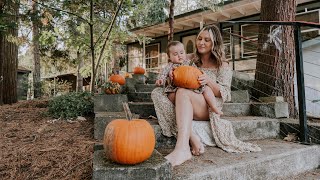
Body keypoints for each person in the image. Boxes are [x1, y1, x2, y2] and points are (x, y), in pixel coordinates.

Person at [151, 25, 261, 167]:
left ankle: (182, 149)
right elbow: (176, 76)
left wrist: (208, 80)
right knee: (158, 92)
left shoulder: (223, 65)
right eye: (200, 39)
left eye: (207, 40)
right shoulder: (189, 58)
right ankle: (191, 136)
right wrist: (170, 78)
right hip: (185, 98)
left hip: (207, 106)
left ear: (215, 43)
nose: (201, 43)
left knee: (182, 92)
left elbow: (225, 94)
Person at [155, 41, 223, 115]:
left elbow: (196, 71)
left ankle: (214, 106)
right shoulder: (170, 66)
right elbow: (163, 74)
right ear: (169, 57)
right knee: (180, 93)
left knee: (207, 89)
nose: (179, 56)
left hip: (192, 86)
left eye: (181, 53)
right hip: (177, 88)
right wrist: (160, 80)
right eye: (175, 54)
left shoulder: (189, 63)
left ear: (185, 52)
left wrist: (201, 77)